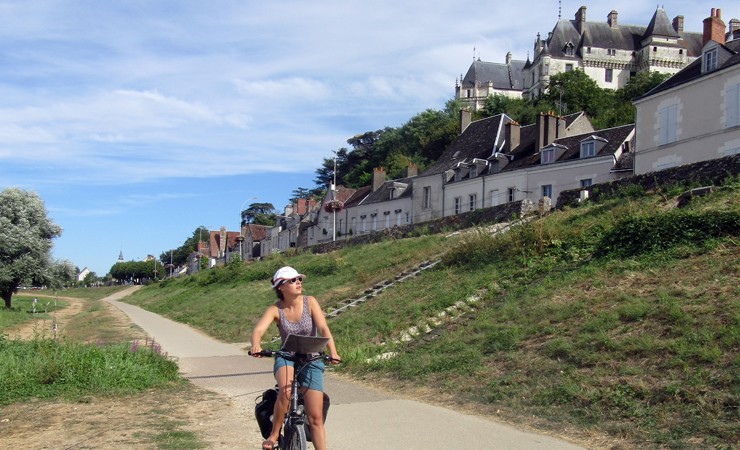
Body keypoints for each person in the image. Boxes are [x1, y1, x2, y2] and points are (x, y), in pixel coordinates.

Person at [250, 266, 341, 450]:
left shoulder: (310, 302)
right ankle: (274, 434)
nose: (298, 282)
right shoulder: (276, 309)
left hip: (311, 357)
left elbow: (323, 329)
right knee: (285, 391)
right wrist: (256, 345)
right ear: (281, 287)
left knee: (315, 416)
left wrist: (333, 351)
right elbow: (258, 330)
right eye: (293, 280)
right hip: (286, 356)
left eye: (299, 279)